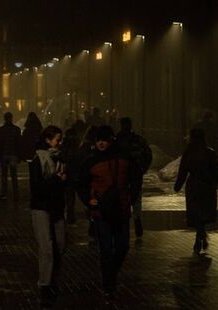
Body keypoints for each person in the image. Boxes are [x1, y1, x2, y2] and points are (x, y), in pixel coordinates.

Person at [77, 125, 141, 302]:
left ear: (111, 140)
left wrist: (131, 196)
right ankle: (108, 284)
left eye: (104, 140)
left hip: (121, 208)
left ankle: (110, 276)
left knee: (122, 246)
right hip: (101, 211)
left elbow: (136, 177)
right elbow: (81, 183)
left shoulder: (124, 157)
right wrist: (88, 200)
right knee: (106, 249)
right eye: (98, 140)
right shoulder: (90, 160)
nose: (101, 143)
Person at [29, 125, 67, 306]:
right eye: (57, 139)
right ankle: (45, 284)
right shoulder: (38, 159)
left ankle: (53, 279)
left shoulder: (60, 158)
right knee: (47, 248)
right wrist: (56, 179)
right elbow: (36, 187)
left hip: (57, 207)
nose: (60, 143)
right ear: (47, 140)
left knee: (60, 244)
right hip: (41, 207)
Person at [174, 129, 218, 254]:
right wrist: (213, 184)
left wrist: (178, 185)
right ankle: (201, 234)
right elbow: (216, 171)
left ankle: (200, 235)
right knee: (203, 213)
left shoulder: (189, 153)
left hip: (194, 186)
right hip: (206, 187)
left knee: (196, 213)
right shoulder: (210, 152)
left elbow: (183, 170)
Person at [115, 117, 153, 238]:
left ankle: (124, 221)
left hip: (121, 173)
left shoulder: (117, 140)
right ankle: (137, 218)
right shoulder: (138, 139)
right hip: (136, 173)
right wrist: (142, 168)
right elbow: (148, 154)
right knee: (136, 197)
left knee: (121, 197)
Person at [0, 112, 22, 200]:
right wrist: (19, 155)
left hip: (4, 154)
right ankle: (15, 193)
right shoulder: (16, 129)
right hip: (13, 154)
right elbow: (19, 143)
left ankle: (4, 193)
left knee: (4, 175)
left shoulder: (0, 130)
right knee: (14, 175)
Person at [60, 128, 81, 224]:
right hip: (73, 173)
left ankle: (68, 214)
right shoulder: (77, 146)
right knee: (71, 195)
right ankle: (70, 215)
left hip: (66, 172)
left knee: (67, 195)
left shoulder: (64, 146)